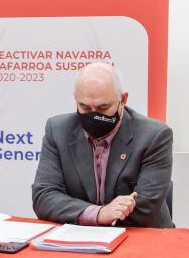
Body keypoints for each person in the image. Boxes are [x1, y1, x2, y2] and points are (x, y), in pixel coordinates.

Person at [32, 62, 174, 228]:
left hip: (142, 237)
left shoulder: (154, 136)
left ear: (123, 99)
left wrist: (98, 216)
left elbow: (146, 208)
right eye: (84, 106)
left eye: (103, 107)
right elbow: (43, 197)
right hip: (81, 239)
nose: (94, 115)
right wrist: (98, 214)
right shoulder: (57, 131)